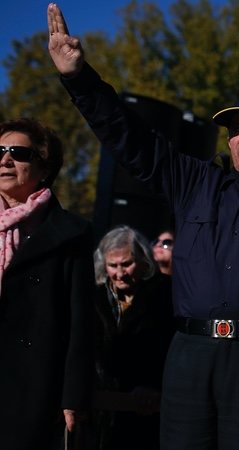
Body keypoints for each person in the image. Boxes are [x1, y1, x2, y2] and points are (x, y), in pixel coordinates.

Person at [48, 5, 239, 450]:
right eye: (234, 129)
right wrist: (79, 79)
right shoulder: (195, 182)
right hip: (189, 353)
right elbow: (130, 139)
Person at [0, 117, 95, 448]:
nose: (5, 159)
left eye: (18, 153)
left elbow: (81, 323)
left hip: (33, 385)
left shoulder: (70, 233)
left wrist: (74, 398)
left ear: (44, 166)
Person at [93, 225, 175, 450]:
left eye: (127, 264)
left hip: (146, 405)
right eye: (113, 265)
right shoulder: (93, 297)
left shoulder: (164, 294)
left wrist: (152, 384)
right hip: (99, 406)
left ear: (143, 260)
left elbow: (168, 348)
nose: (120, 273)